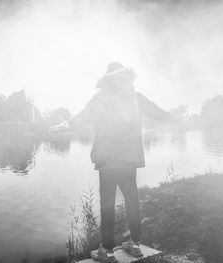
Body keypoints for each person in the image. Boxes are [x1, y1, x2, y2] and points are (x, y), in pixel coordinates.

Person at [67, 62, 145, 262]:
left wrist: (67, 123)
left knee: (107, 206)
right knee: (132, 202)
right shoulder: (134, 97)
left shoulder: (101, 96)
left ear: (108, 76)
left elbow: (85, 115)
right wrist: (178, 119)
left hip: (109, 162)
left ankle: (108, 251)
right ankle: (135, 245)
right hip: (129, 161)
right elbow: (158, 112)